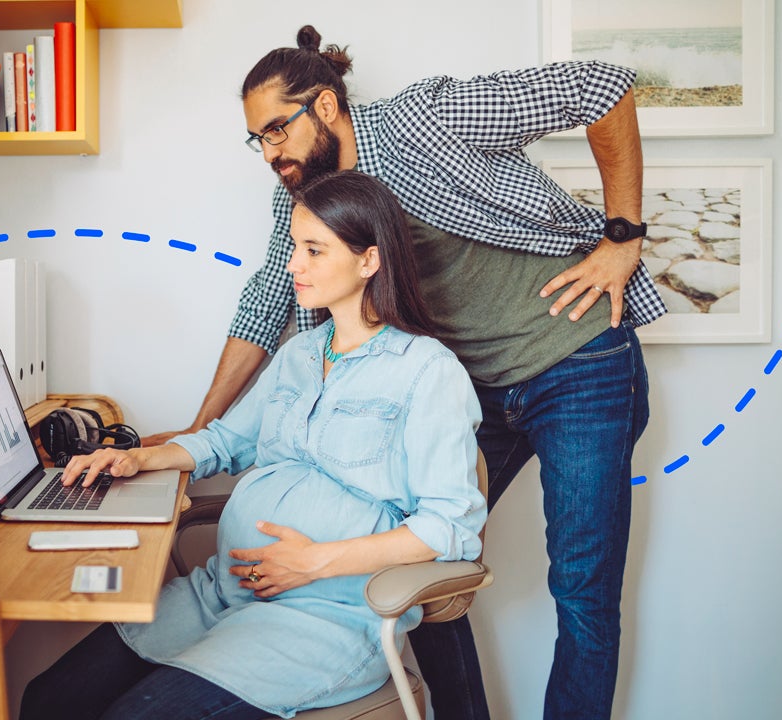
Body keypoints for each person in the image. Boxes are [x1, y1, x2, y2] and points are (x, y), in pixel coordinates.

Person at [143, 26, 657, 720]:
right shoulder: (304, 195)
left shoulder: (425, 119)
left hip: (575, 359)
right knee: (422, 570)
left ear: (326, 106)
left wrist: (622, 237)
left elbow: (602, 87)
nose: (269, 153)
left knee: (582, 587)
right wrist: (198, 430)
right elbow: (268, 298)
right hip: (470, 381)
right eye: (257, 139)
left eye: (277, 130)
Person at [18, 170, 486, 720]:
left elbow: (450, 526)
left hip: (325, 617)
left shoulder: (427, 370)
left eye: (314, 250)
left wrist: (313, 562)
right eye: (295, 246)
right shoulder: (299, 354)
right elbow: (224, 442)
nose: (293, 265)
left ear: (369, 261)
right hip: (222, 592)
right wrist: (137, 457)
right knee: (49, 700)